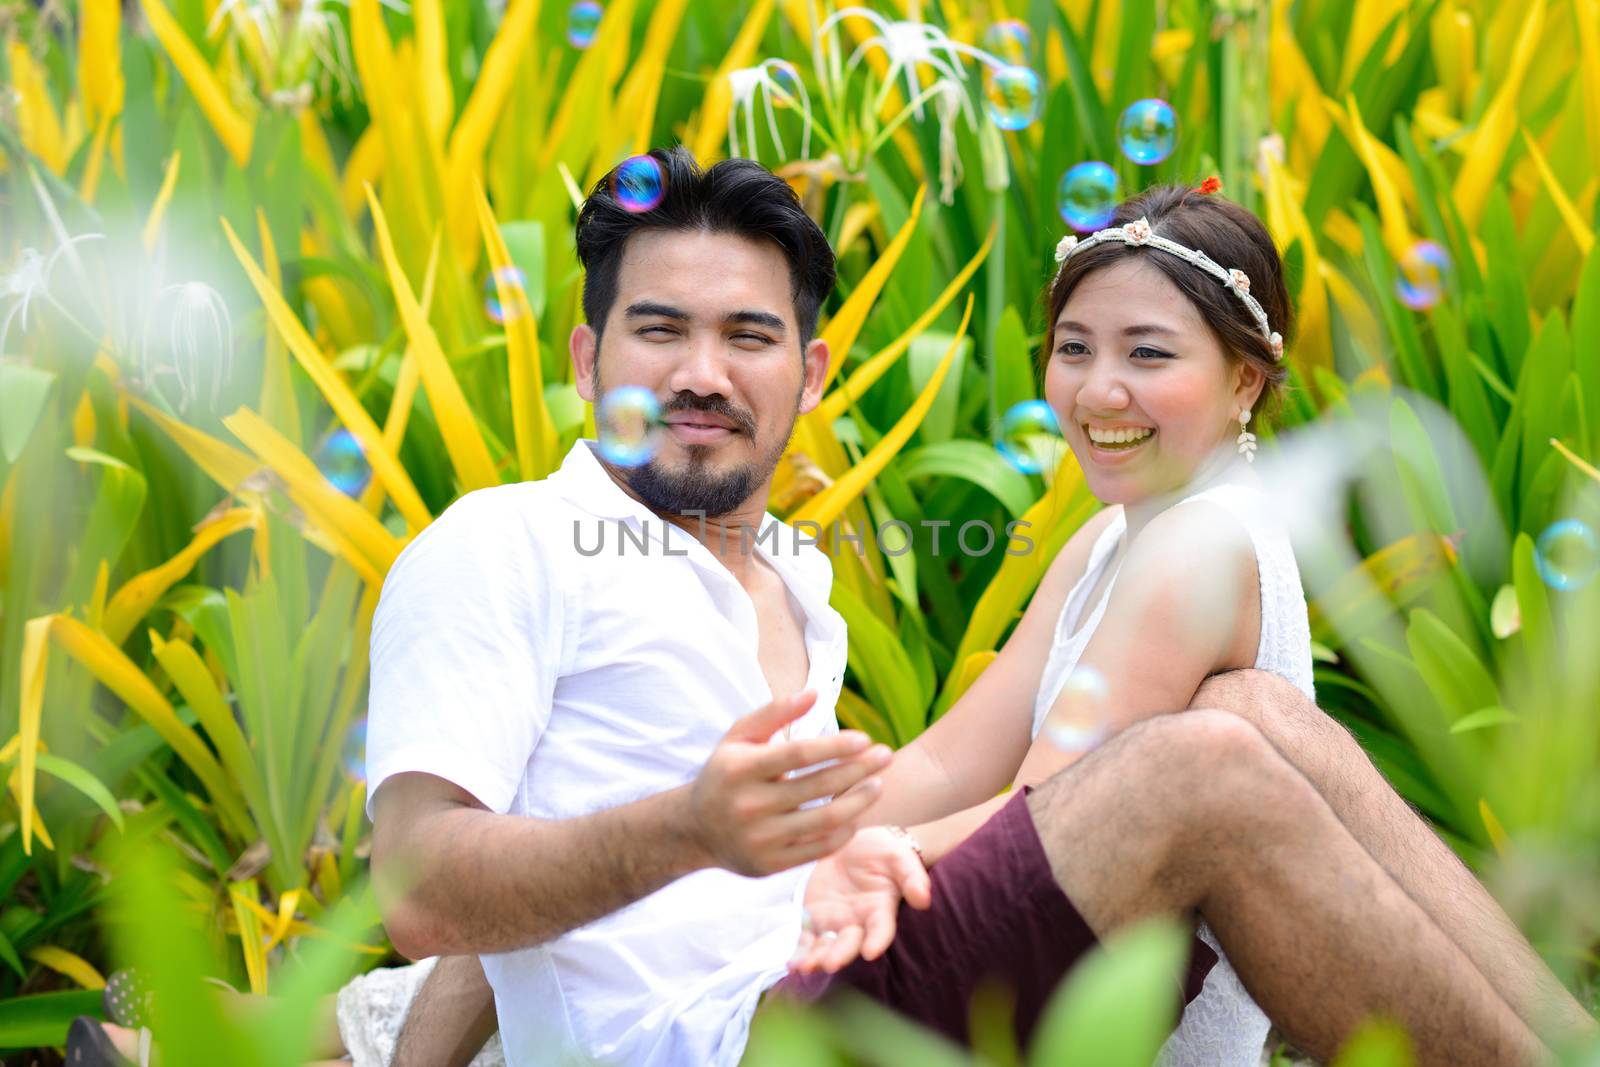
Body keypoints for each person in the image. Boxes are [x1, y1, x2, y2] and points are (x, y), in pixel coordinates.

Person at [366, 148, 1591, 1067]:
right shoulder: (505, 543)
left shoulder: (790, 576)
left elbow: (571, 862)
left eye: (747, 334)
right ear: (587, 362)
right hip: (735, 1036)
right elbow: (427, 888)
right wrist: (697, 829)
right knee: (1201, 761)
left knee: (1263, 709)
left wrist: (818, 848)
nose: (700, 372)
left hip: (823, 970)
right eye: (657, 331)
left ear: (810, 373)